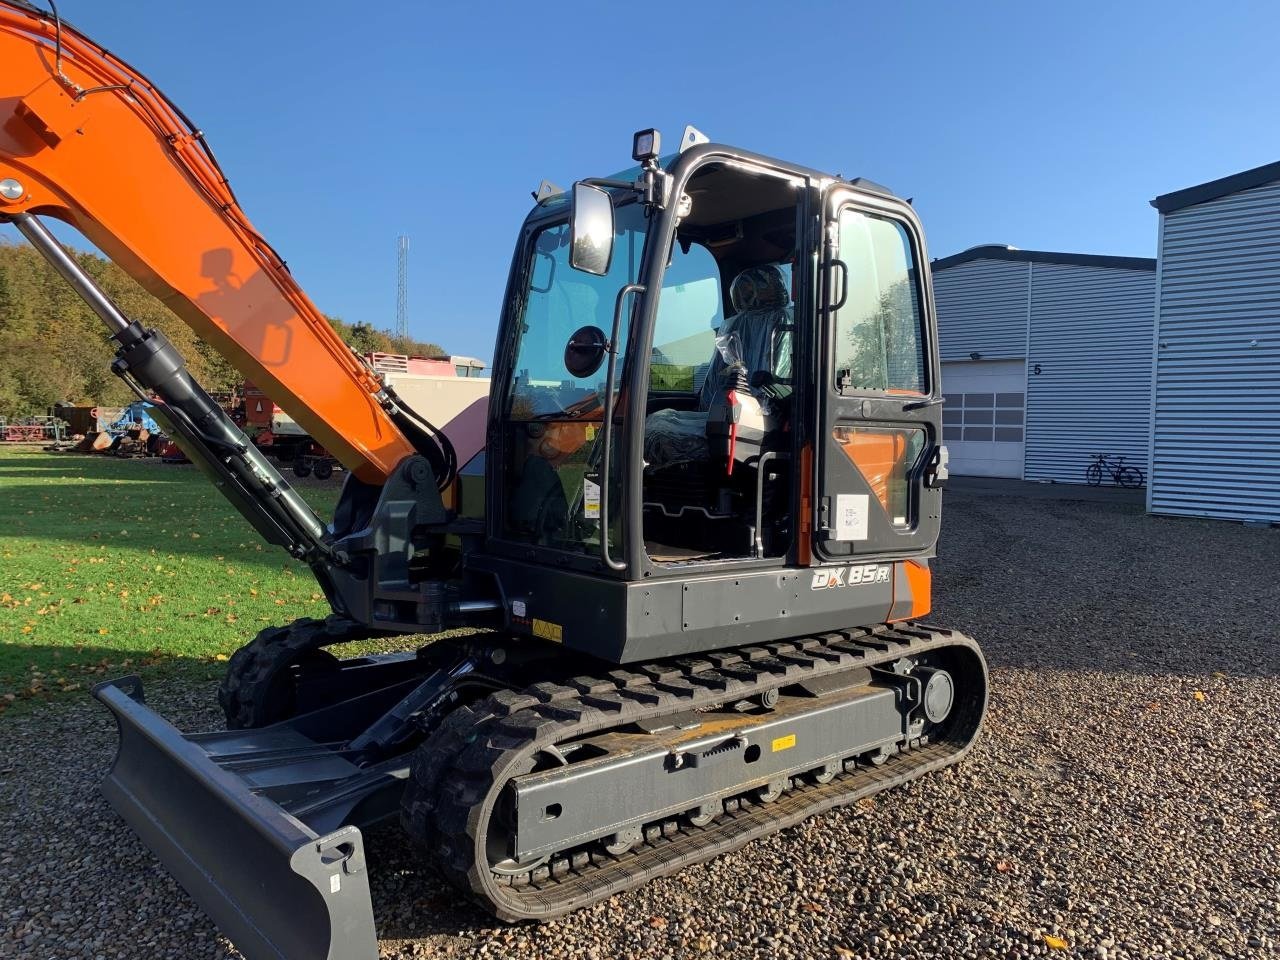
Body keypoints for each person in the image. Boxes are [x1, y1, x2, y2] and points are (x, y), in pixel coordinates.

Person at [644, 264, 792, 468]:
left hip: (758, 416)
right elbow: (719, 380)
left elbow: (776, 385)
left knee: (659, 431)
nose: (747, 293)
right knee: (653, 423)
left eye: (752, 289)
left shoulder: (784, 322)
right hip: (726, 411)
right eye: (744, 290)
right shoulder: (733, 326)